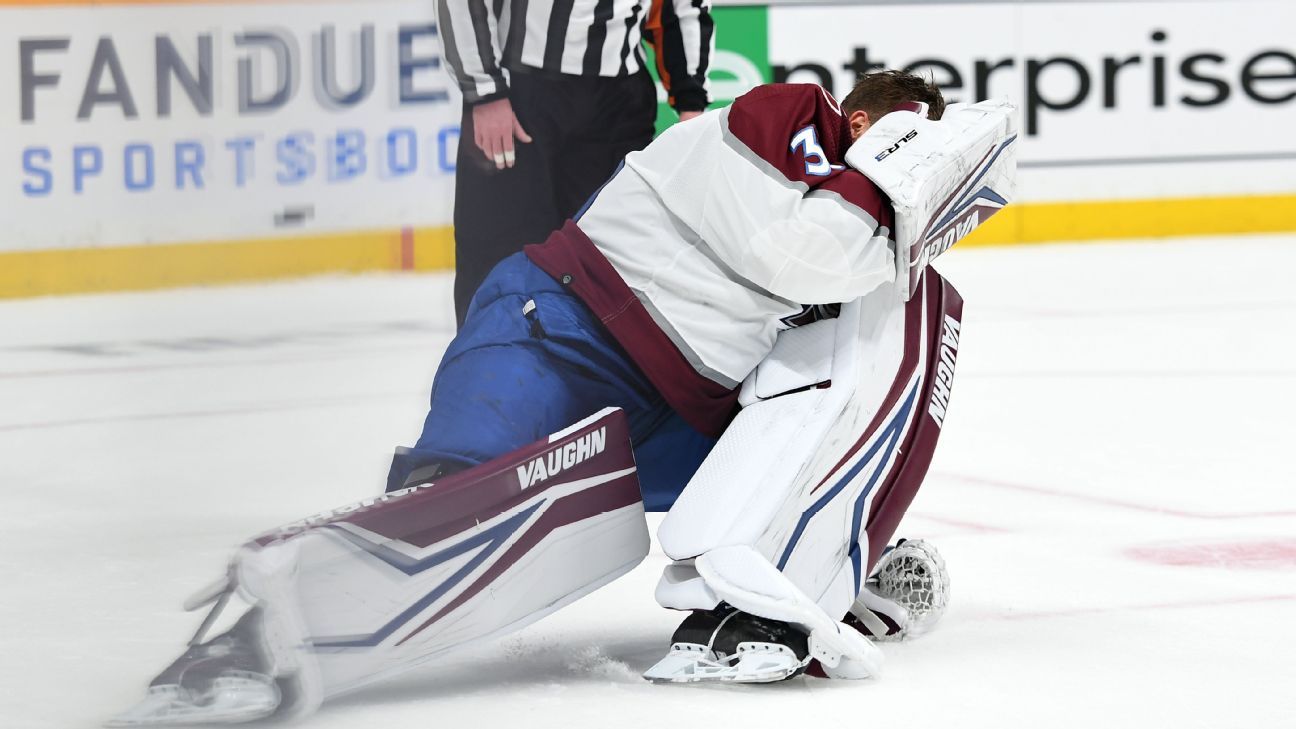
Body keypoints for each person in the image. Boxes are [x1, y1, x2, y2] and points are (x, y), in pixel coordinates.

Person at [111, 71, 1017, 724]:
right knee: (454, 501)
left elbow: (833, 377)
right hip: (564, 327)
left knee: (851, 383)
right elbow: (799, 255)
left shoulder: (867, 229)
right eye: (905, 137)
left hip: (681, 402)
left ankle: (818, 577)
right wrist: (913, 172)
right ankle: (252, 643)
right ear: (863, 117)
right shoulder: (791, 113)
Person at [438, 0, 715, 325]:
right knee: (501, 262)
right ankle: (493, 373)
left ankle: (600, 375)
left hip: (618, 106)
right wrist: (483, 91)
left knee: (612, 271)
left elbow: (682, 7)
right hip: (520, 95)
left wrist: (690, 102)